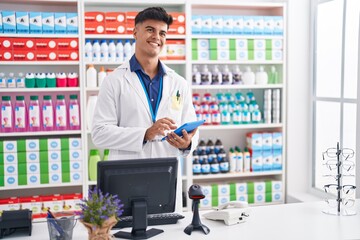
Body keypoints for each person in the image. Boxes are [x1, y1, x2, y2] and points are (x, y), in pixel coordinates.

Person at [91, 7, 199, 212]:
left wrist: (187, 143)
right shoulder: (114, 81)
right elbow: (99, 133)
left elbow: (191, 128)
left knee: (167, 229)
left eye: (162, 33)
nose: (156, 37)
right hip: (127, 175)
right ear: (135, 32)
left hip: (165, 176)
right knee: (126, 227)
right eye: (150, 30)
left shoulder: (179, 83)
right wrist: (145, 134)